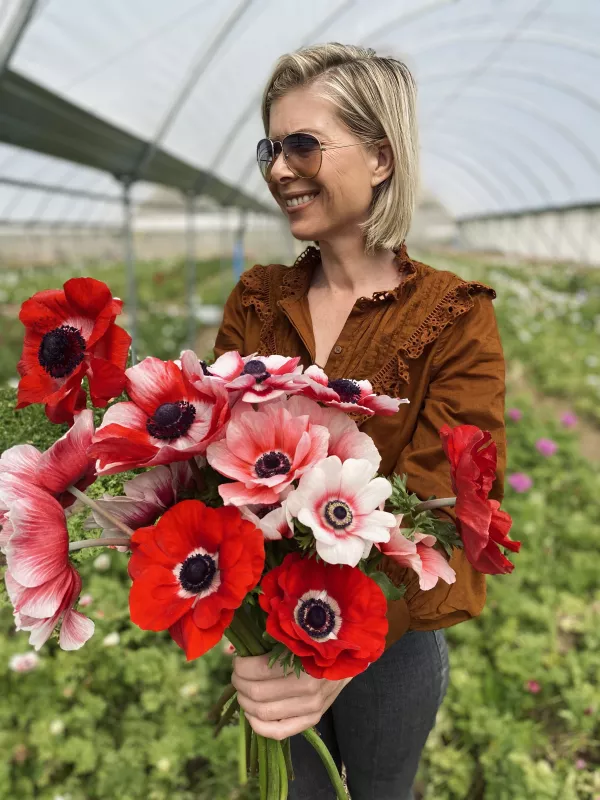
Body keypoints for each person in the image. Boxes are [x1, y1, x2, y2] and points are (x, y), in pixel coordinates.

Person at [214, 43, 506, 800]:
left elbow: (444, 512)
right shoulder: (257, 298)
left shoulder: (453, 317)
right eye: (270, 148)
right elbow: (211, 469)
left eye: (303, 144)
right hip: (271, 627)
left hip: (389, 643)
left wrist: (331, 663)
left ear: (380, 157)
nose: (279, 169)